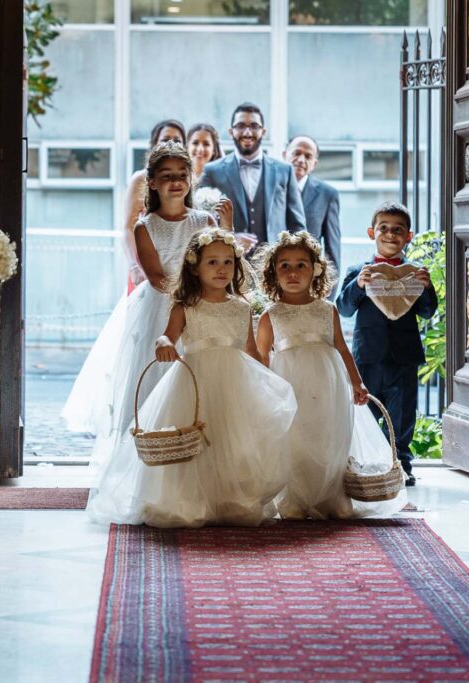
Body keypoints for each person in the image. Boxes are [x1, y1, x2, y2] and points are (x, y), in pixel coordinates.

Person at [89, 228, 296, 528]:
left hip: (236, 384)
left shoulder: (240, 307)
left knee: (232, 440)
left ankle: (228, 498)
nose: (222, 269)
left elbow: (251, 349)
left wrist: (265, 379)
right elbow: (168, 336)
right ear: (194, 267)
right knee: (194, 439)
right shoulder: (186, 306)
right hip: (195, 380)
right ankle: (190, 500)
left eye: (228, 262)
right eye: (212, 262)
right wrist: (164, 344)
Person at [61, 142, 216, 472]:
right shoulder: (145, 226)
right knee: (156, 382)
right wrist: (186, 298)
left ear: (191, 179)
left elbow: (218, 265)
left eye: (181, 175)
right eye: (166, 176)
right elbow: (157, 277)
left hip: (203, 309)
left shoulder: (205, 221)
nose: (175, 181)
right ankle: (152, 459)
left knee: (200, 384)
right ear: (153, 183)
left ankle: (197, 459)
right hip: (160, 310)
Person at [254, 231, 407, 519]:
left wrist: (356, 381)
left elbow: (342, 348)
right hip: (290, 385)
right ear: (273, 272)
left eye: (301, 265)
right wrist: (264, 393)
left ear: (316, 270)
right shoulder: (270, 315)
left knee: (328, 436)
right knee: (296, 438)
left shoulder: (327, 310)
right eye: (284, 265)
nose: (293, 272)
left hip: (328, 384)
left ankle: (331, 495)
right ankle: (294, 499)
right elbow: (262, 357)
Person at [335, 201, 437, 487]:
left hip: (404, 357)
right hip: (368, 356)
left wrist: (427, 288)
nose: (390, 235)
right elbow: (343, 309)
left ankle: (400, 463)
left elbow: (428, 312)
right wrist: (357, 286)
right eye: (384, 228)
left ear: (409, 236)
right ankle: (364, 462)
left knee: (402, 413)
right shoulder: (359, 270)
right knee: (365, 410)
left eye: (398, 230)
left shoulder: (415, 273)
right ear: (371, 232)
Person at [200, 102, 306, 252]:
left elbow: (298, 227)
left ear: (263, 131)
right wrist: (230, 237)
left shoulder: (285, 171)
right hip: (229, 263)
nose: (248, 132)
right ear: (231, 132)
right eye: (241, 126)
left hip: (275, 265)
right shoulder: (212, 171)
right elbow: (201, 225)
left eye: (254, 126)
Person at [123, 119, 185, 293]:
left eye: (177, 140)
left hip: (179, 268)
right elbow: (128, 228)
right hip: (146, 267)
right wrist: (135, 267)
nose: (171, 144)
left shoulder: (186, 181)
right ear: (154, 145)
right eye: (165, 139)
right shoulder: (140, 179)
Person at [283, 135, 341, 290]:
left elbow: (332, 253)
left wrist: (327, 297)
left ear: (314, 163)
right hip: (271, 284)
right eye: (296, 153)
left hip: (308, 287)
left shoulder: (327, 194)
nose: (301, 159)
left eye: (308, 156)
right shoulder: (269, 189)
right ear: (284, 155)